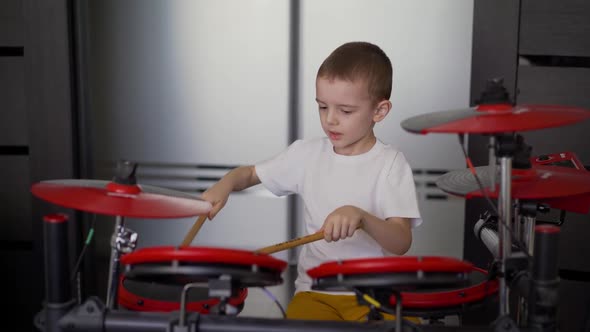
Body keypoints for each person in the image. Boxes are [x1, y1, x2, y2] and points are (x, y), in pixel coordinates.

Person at [201, 41, 422, 321]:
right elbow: (249, 174)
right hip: (316, 292)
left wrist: (362, 217)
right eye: (322, 107)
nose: (330, 120)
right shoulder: (307, 154)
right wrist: (227, 183)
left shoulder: (391, 163)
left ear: (379, 111)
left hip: (375, 293)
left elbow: (401, 241)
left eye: (345, 111)